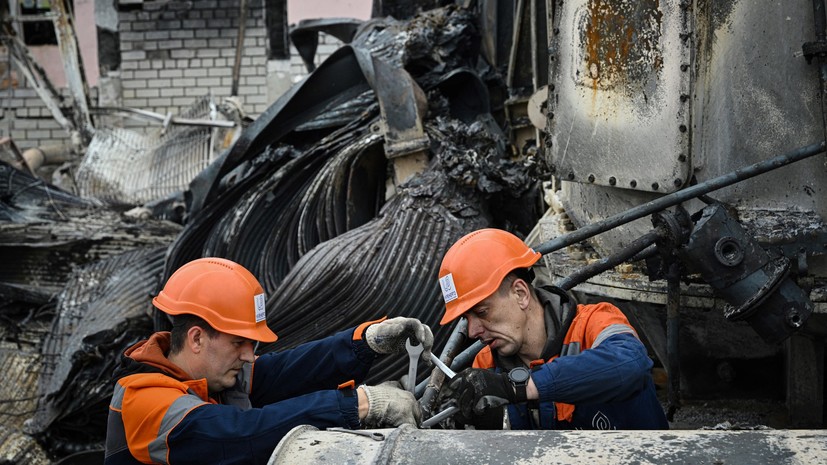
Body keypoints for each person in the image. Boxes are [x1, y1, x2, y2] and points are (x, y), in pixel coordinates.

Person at [104, 257, 432, 464]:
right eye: (238, 343)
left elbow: (283, 372)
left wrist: (365, 342)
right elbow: (239, 434)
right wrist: (360, 404)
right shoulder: (143, 399)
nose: (249, 355)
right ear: (197, 339)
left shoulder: (210, 376)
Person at [435, 228, 668, 430]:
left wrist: (517, 387)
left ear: (520, 294)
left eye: (482, 312)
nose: (474, 331)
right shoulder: (486, 366)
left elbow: (632, 364)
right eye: (467, 318)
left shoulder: (594, 322)